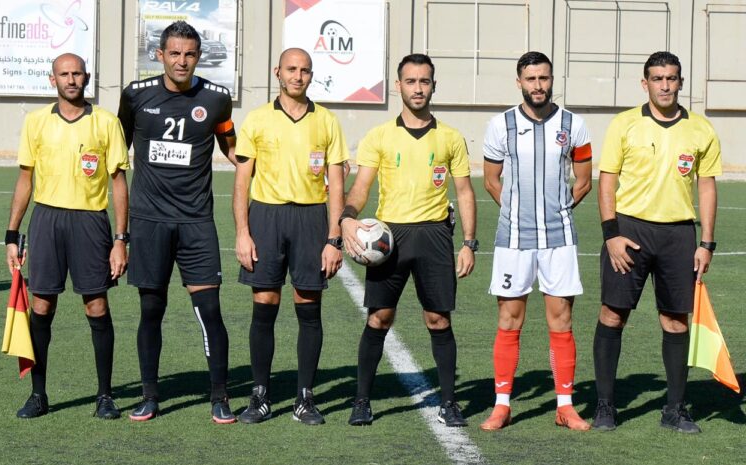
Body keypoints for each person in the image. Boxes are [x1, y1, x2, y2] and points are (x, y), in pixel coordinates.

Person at [341, 53, 477, 427]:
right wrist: (347, 217)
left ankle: (449, 403)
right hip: (390, 238)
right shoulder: (379, 136)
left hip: (434, 235)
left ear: (434, 86)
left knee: (438, 319)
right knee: (379, 317)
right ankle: (362, 400)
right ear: (398, 86)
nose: (418, 88)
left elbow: (464, 191)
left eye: (424, 81)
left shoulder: (450, 137)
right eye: (411, 81)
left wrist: (469, 243)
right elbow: (361, 187)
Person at [592, 51, 721, 434]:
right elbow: (607, 181)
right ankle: (605, 406)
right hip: (629, 231)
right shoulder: (624, 124)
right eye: (658, 78)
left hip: (678, 235)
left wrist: (706, 242)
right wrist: (611, 235)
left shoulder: (701, 129)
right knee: (613, 314)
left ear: (680, 82)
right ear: (644, 83)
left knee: (676, 320)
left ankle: (675, 409)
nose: (665, 85)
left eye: (671, 78)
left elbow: (707, 186)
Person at [117, 21, 238, 424]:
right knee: (151, 310)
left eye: (189, 54)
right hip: (149, 220)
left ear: (198, 56)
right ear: (160, 55)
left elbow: (234, 151)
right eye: (174, 53)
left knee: (210, 310)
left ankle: (219, 396)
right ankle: (150, 396)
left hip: (196, 223)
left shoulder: (217, 99)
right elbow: (117, 153)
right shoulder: (135, 95)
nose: (182, 61)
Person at [5, 53, 129, 419]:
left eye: (77, 73)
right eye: (64, 74)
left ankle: (105, 396)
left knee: (97, 306)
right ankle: (38, 395)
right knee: (42, 306)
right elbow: (25, 180)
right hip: (46, 220)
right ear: (52, 79)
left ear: (86, 77)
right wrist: (12, 233)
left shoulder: (106, 122)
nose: (71, 79)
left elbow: (118, 183)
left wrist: (120, 239)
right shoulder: (36, 122)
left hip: (91, 222)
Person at [233, 48, 349, 425]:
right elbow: (242, 182)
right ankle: (260, 395)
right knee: (265, 302)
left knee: (308, 303)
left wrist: (333, 239)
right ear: (277, 72)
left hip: (311, 218)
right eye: (291, 69)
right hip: (266, 216)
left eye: (305, 71)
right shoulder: (257, 118)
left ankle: (305, 398)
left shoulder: (327, 121)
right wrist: (242, 233)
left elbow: (336, 185)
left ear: (311, 76)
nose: (298, 76)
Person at [479, 51, 592, 432]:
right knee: (509, 319)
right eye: (531, 79)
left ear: (552, 80)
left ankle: (565, 406)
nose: (538, 85)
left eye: (544, 78)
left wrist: (557, 212)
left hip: (559, 239)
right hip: (513, 240)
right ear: (519, 82)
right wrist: (516, 213)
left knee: (561, 320)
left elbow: (584, 182)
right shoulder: (501, 125)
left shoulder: (574, 125)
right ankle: (502, 406)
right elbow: (491, 181)